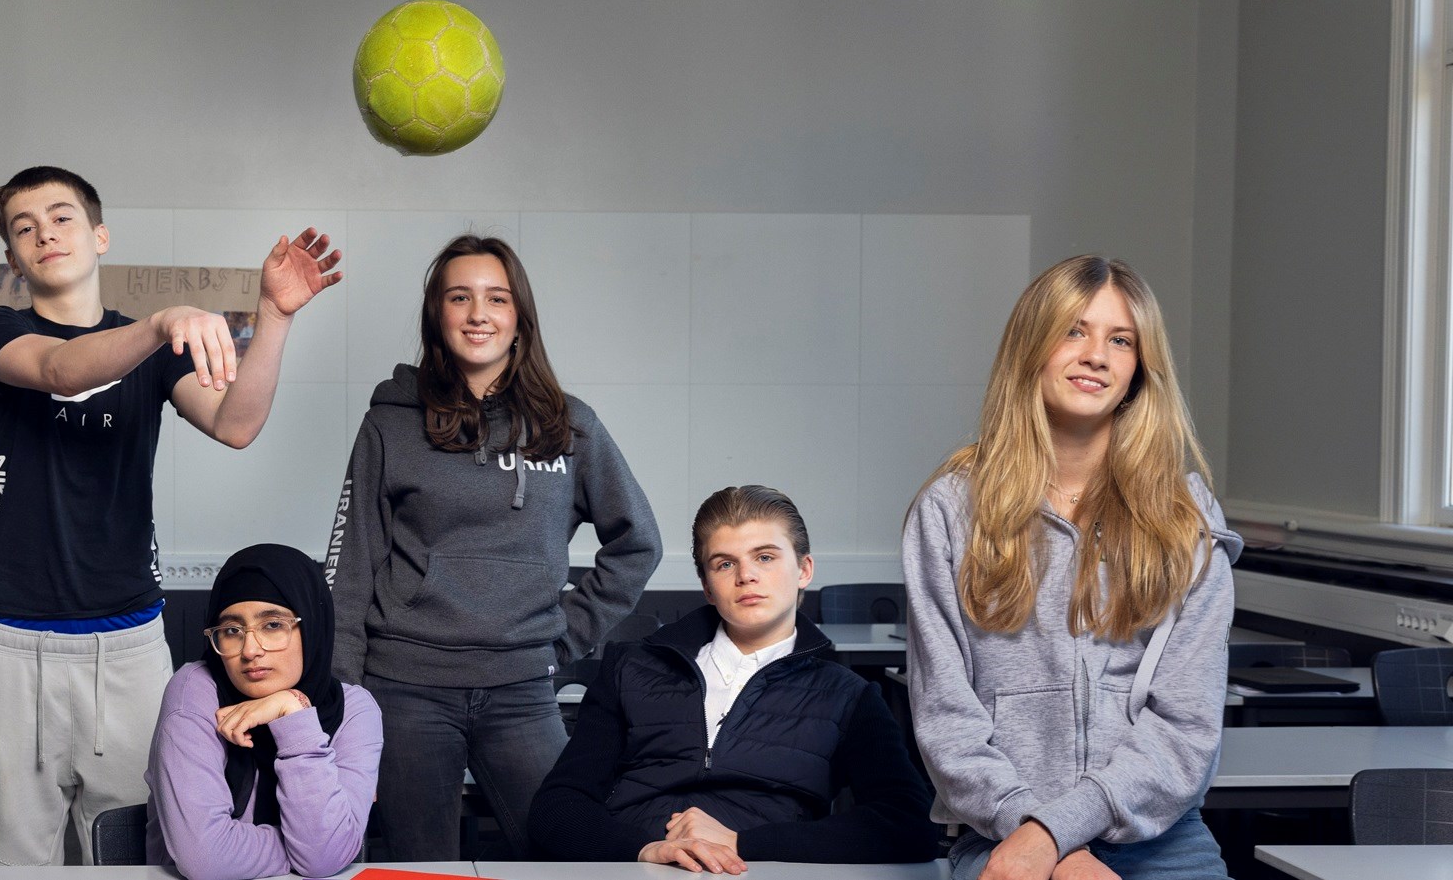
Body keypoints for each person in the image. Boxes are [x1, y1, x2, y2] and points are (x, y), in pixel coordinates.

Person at [0, 166, 341, 866]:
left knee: (144, 859)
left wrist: (275, 316)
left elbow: (236, 424)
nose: (44, 231)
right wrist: (162, 322)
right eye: (24, 227)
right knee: (11, 868)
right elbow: (60, 371)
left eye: (62, 216)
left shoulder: (154, 357)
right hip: (14, 648)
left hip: (129, 649)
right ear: (14, 259)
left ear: (100, 235)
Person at [903, 255, 1244, 880]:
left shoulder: (1183, 515)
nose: (1097, 355)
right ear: (1031, 347)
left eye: (1121, 340)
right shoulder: (951, 509)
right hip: (1000, 830)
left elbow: (1186, 726)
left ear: (1140, 368)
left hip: (1163, 838)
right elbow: (947, 721)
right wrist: (1038, 839)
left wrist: (1058, 832)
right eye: (1073, 331)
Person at [325, 233, 661, 860]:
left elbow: (637, 543)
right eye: (460, 297)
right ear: (438, 315)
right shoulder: (390, 424)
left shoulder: (571, 426)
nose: (479, 314)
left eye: (497, 298)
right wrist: (345, 700)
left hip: (522, 689)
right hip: (404, 691)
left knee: (567, 858)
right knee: (420, 868)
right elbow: (351, 568)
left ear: (518, 318)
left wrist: (564, 637)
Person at [528, 485, 939, 873]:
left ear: (804, 569)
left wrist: (741, 843)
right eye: (725, 563)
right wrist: (645, 849)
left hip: (757, 874)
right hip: (638, 872)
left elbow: (907, 826)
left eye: (765, 557)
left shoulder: (848, 696)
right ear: (708, 587)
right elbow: (557, 809)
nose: (746, 576)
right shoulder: (630, 669)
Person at [146, 544, 383, 880]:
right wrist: (302, 849)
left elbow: (324, 857)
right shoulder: (194, 692)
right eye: (231, 631)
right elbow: (205, 858)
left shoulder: (355, 710)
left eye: (272, 625)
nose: (250, 650)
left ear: (312, 625)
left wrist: (293, 715)